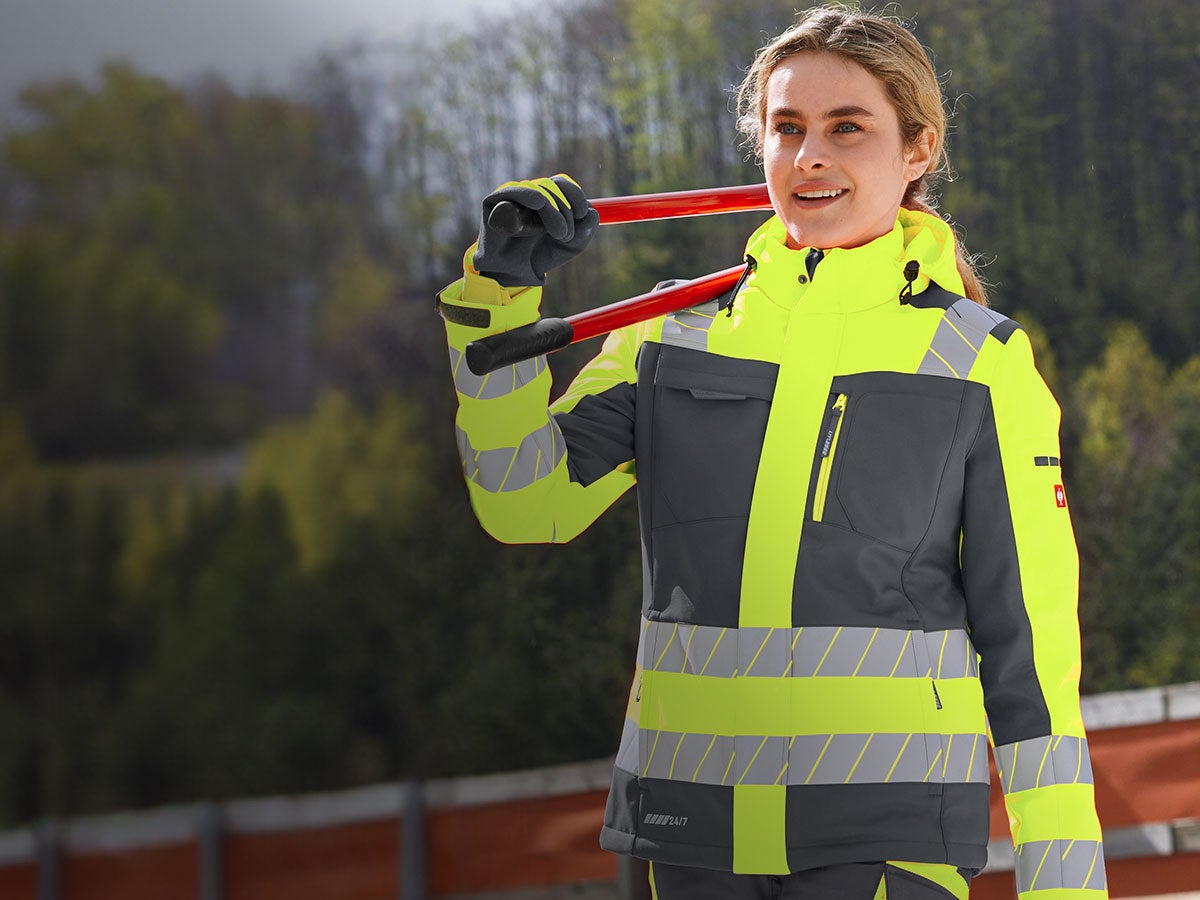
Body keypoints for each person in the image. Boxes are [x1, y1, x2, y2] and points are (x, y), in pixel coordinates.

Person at [436, 5, 1107, 898]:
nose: (810, 156)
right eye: (786, 128)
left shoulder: (981, 364)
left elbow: (1032, 661)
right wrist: (501, 295)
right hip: (690, 834)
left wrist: (1067, 889)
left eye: (847, 128)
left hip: (882, 839)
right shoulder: (673, 334)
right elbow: (524, 499)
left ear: (917, 150)